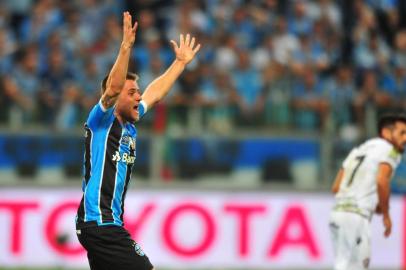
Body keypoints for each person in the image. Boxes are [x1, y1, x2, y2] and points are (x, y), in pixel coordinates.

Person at [75, 12, 201, 270]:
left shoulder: (129, 125)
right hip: (101, 224)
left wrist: (179, 63)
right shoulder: (101, 121)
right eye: (131, 92)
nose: (138, 97)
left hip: (103, 224)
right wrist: (126, 47)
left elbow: (154, 95)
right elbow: (112, 89)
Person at [329, 114, 406, 269]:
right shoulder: (391, 151)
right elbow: (382, 181)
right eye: (402, 133)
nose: (405, 138)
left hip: (337, 214)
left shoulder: (357, 150)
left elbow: (336, 187)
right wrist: (386, 214)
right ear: (385, 133)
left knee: (342, 265)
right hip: (356, 216)